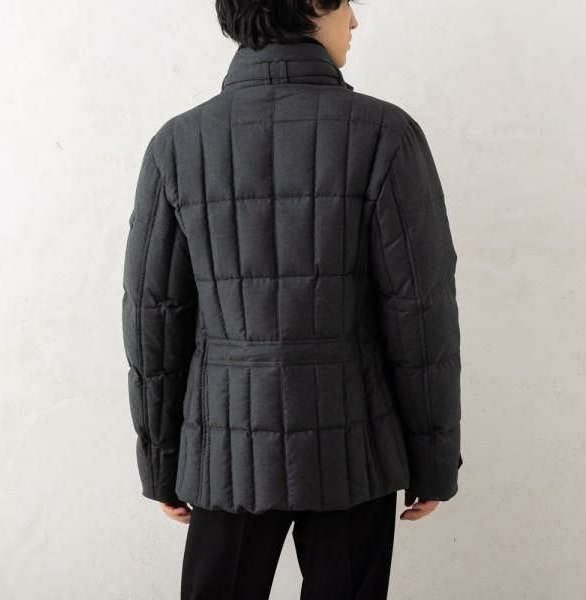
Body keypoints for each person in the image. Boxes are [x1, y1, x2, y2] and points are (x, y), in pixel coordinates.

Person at [121, 1, 463, 598]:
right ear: (311, 4)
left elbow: (154, 320)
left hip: (225, 453)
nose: (354, 21)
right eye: (347, 2)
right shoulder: (385, 134)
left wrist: (161, 462)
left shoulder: (177, 144)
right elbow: (421, 314)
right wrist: (432, 461)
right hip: (353, 453)